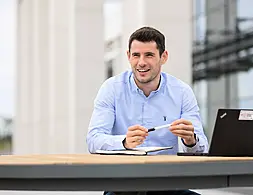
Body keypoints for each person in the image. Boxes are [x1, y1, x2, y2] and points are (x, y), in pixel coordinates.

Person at [87, 26, 208, 195]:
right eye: (136, 55)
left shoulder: (182, 92)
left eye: (149, 55)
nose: (141, 62)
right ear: (128, 56)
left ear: (163, 57)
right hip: (122, 186)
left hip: (168, 185)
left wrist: (191, 140)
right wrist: (124, 143)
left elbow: (202, 149)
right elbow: (93, 140)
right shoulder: (111, 89)